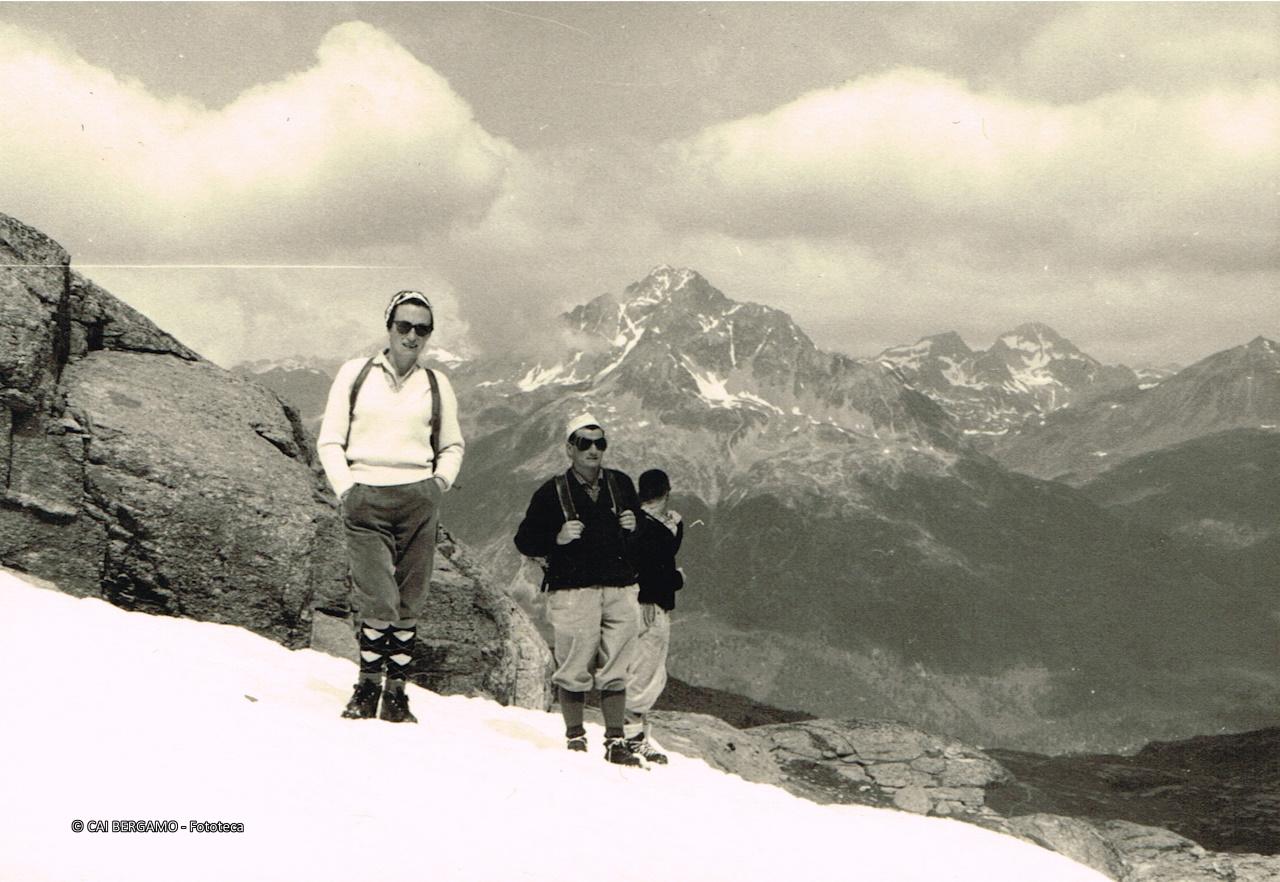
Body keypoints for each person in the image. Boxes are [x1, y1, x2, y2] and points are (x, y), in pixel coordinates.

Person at [317, 290, 464, 724]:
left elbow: (452, 444)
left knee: (410, 599)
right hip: (367, 497)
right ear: (389, 327)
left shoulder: (437, 384)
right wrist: (347, 489)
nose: (413, 335)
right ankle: (367, 686)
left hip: (419, 497)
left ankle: (396, 695)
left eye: (422, 328)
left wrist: (439, 484)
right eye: (404, 326)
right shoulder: (355, 374)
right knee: (378, 598)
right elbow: (330, 439)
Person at [514, 413, 646, 767]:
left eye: (599, 443)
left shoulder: (621, 484)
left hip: (620, 587)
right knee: (574, 666)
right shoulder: (551, 491)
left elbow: (641, 541)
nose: (593, 450)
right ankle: (575, 738)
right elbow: (524, 540)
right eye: (584, 443)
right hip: (574, 590)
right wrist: (555, 538)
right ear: (569, 448)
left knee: (617, 665)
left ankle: (615, 741)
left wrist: (635, 528)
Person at [623, 469, 684, 765]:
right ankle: (633, 739)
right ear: (667, 493)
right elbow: (658, 569)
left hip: (636, 604)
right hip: (650, 607)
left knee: (640, 670)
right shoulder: (653, 528)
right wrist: (677, 580)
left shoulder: (636, 521)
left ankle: (631, 735)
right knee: (645, 673)